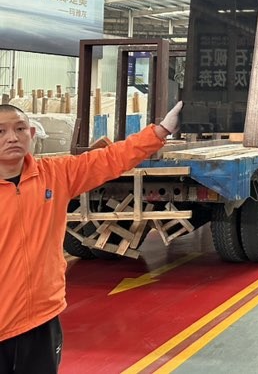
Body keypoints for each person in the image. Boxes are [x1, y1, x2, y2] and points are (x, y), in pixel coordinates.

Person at [0, 101, 182, 373]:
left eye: (20, 129)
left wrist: (161, 130)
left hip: (40, 319)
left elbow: (110, 159)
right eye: (0, 131)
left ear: (32, 134)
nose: (12, 137)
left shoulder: (55, 175)